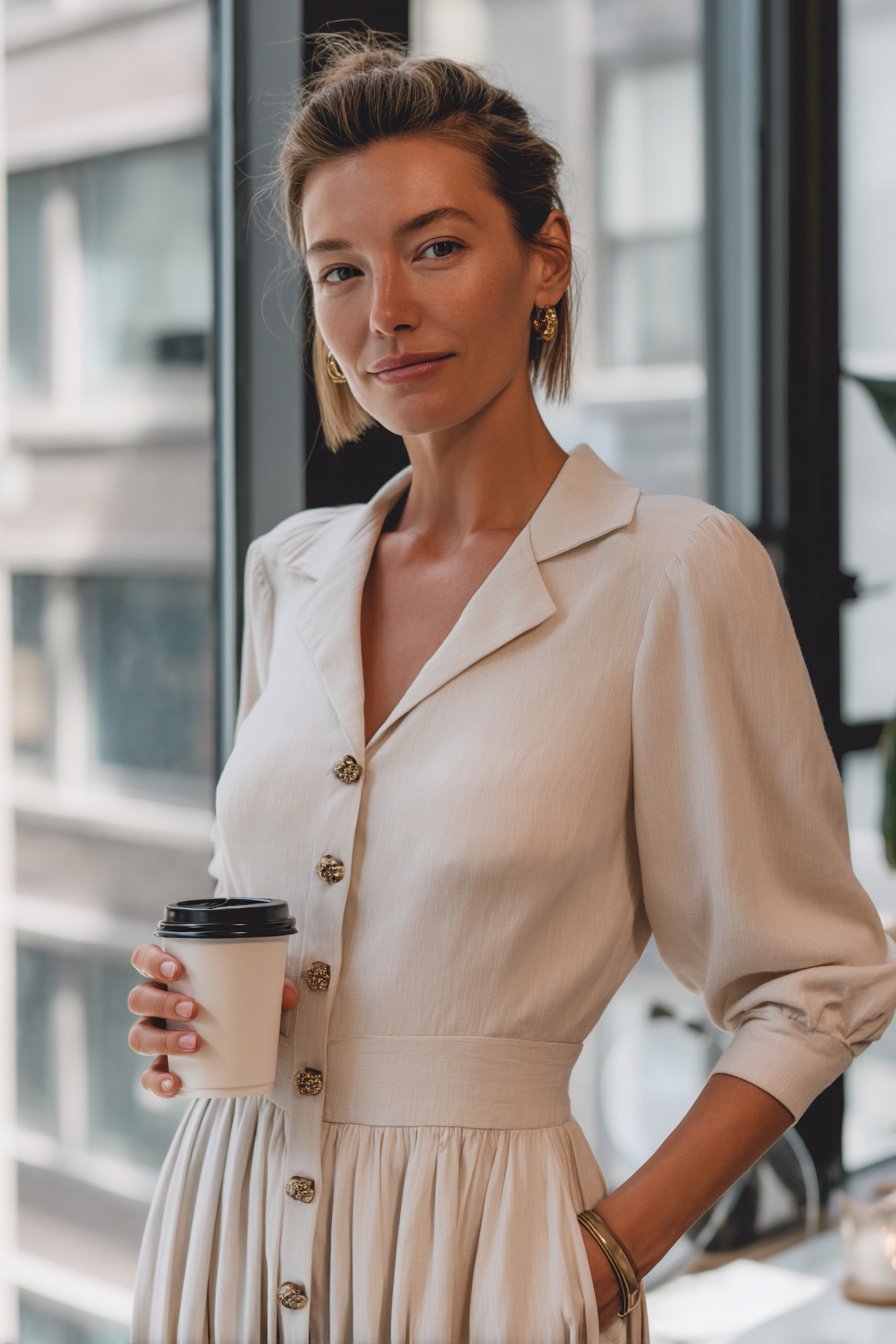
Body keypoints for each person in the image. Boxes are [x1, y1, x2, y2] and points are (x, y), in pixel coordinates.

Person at [127, 31, 896, 1344]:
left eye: (435, 248)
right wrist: (181, 1012)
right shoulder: (290, 573)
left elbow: (820, 979)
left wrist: (608, 1248)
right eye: (340, 271)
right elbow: (284, 907)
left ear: (547, 257)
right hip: (221, 1230)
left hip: (488, 1264)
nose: (385, 314)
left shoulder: (672, 573)